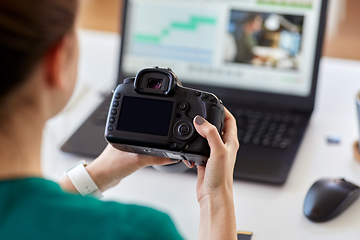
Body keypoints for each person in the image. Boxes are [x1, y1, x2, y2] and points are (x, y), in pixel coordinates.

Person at [0, 1, 239, 239]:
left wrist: (99, 173)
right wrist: (216, 196)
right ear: (57, 61)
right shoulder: (135, 231)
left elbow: (30, 214)